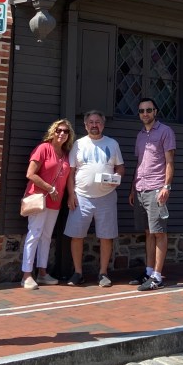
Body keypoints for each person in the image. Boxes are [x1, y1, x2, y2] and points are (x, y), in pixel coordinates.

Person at [65, 110, 125, 287]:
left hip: (107, 197)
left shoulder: (112, 144)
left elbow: (120, 167)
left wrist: (117, 177)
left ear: (103, 125)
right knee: (76, 235)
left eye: (97, 122)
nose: (94, 125)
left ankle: (103, 273)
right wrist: (71, 194)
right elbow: (70, 172)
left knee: (106, 236)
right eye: (91, 122)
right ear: (85, 125)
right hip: (81, 197)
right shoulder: (78, 144)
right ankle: (78, 273)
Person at [20, 119, 75, 289]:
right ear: (53, 131)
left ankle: (42, 273)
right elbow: (30, 173)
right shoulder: (43, 148)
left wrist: (70, 195)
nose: (62, 134)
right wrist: (49, 188)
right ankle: (26, 275)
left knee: (46, 236)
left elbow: (68, 178)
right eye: (59, 130)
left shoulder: (65, 154)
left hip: (55, 201)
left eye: (65, 131)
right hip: (39, 198)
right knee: (34, 233)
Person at [129, 97, 176, 291]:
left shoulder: (165, 131)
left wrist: (166, 187)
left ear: (155, 112)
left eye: (149, 110)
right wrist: (133, 189)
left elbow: (170, 162)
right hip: (140, 189)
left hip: (157, 188)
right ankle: (149, 272)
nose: (145, 114)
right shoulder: (140, 135)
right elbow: (139, 164)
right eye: (141, 111)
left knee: (159, 232)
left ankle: (157, 277)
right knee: (148, 232)